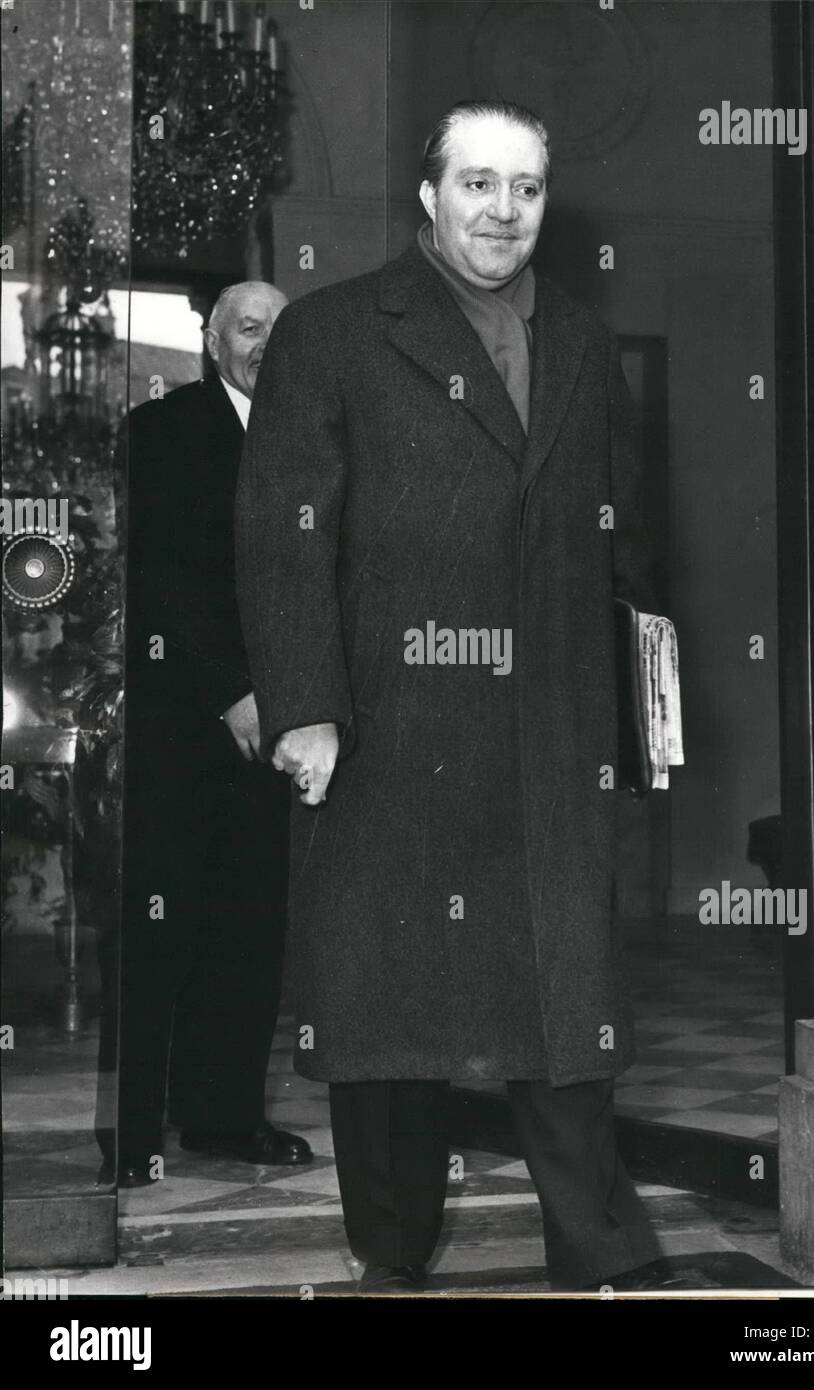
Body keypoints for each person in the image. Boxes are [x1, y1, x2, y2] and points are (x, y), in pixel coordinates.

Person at [236, 103, 693, 1292]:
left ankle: (598, 1252)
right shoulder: (334, 332)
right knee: (392, 1023)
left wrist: (644, 711)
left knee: (568, 1011)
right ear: (428, 194)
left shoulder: (586, 345)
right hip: (393, 728)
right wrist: (306, 708)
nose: (503, 211)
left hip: (548, 735)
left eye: (527, 189)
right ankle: (391, 1259)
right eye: (479, 184)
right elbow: (283, 544)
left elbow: (624, 548)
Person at [117, 281, 312, 1186]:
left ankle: (224, 1118)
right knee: (164, 926)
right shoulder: (161, 432)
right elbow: (158, 581)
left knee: (248, 929)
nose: (264, 343)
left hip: (280, 730)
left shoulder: (314, 435)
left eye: (279, 328)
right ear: (210, 341)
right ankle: (131, 1130)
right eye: (247, 327)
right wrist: (232, 692)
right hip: (184, 726)